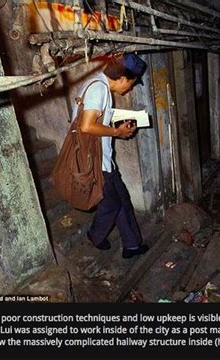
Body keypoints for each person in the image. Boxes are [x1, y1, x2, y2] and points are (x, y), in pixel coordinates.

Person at [73, 53, 148, 258]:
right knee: (111, 204)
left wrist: (117, 126)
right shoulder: (99, 89)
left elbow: (96, 119)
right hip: (95, 161)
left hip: (104, 158)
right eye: (131, 84)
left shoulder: (97, 84)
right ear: (122, 78)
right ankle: (95, 236)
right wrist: (117, 132)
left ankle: (132, 245)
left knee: (122, 198)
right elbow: (87, 126)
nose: (129, 88)